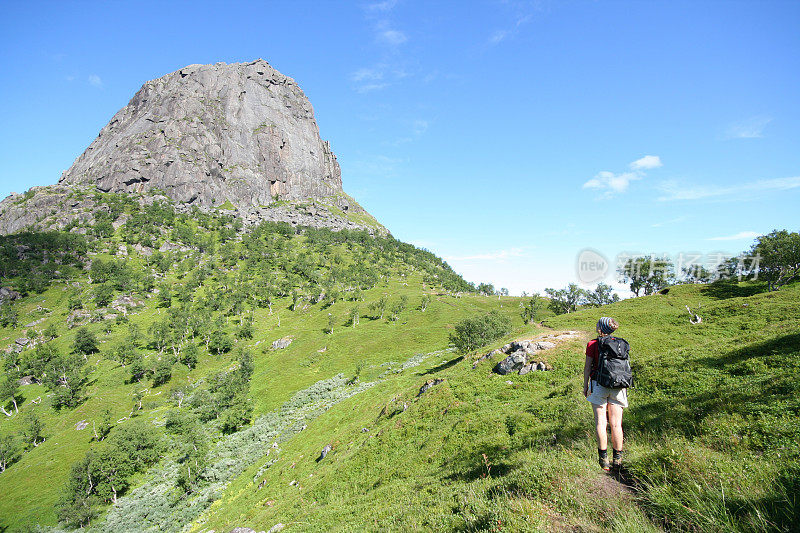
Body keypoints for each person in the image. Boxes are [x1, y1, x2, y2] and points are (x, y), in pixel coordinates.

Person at [583, 317, 627, 471]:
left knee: (601, 423)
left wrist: (586, 386)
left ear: (601, 328)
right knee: (616, 424)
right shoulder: (620, 343)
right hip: (618, 386)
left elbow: (588, 368)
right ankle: (618, 460)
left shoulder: (592, 344)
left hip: (598, 384)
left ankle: (604, 461)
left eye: (598, 323)